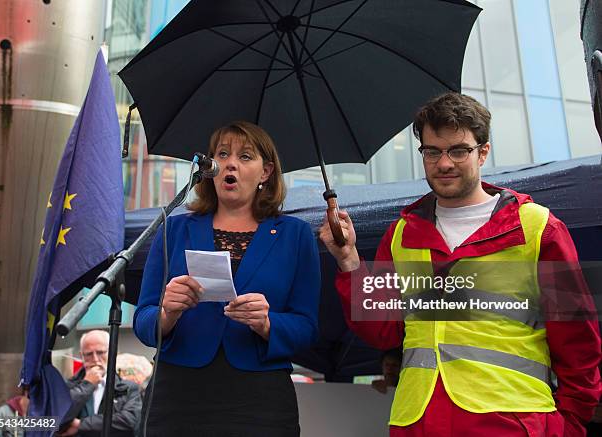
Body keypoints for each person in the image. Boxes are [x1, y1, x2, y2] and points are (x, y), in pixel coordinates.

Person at [319, 93, 602, 436]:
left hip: (512, 422)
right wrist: (348, 258)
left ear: (483, 151)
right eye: (432, 151)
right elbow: (381, 331)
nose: (444, 163)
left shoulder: (537, 229)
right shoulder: (401, 234)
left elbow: (578, 342)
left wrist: (570, 424)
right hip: (418, 422)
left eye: (458, 150)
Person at [134, 121, 321, 436]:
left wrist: (267, 323)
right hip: (178, 395)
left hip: (259, 399)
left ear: (266, 172)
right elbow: (143, 319)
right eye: (222, 154)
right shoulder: (174, 229)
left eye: (246, 156)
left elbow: (307, 328)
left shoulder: (296, 235)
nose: (231, 163)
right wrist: (168, 312)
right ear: (209, 169)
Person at [58, 330, 142, 437]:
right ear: (81, 355)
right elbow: (57, 418)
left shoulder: (128, 388)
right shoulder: (67, 386)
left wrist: (80, 425)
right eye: (88, 354)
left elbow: (130, 421)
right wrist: (87, 384)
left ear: (112, 352)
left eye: (100, 352)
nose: (95, 359)